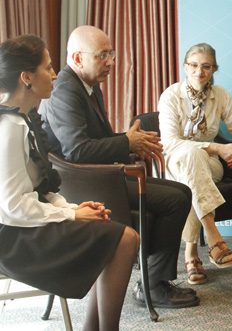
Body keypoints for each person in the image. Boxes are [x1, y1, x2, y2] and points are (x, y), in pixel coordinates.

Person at [38, 25, 198, 309]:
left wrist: (132, 142)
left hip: (101, 175)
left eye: (111, 54)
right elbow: (77, 150)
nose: (111, 61)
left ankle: (151, 279)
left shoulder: (89, 86)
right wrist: (126, 142)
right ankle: (152, 285)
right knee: (174, 201)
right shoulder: (65, 90)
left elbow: (97, 140)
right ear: (78, 58)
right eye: (102, 55)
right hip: (82, 184)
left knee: (183, 192)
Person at [0, 35, 139, 330]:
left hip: (24, 224)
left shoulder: (22, 119)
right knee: (125, 239)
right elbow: (13, 206)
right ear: (26, 78)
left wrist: (74, 208)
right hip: (12, 239)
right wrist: (71, 215)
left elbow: (39, 188)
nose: (54, 74)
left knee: (114, 234)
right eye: (48, 67)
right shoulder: (9, 128)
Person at [158, 43, 232, 285]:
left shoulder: (220, 95)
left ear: (213, 69)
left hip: (209, 166)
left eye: (206, 66)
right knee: (191, 160)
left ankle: (192, 255)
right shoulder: (171, 96)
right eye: (193, 65)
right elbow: (170, 143)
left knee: (194, 167)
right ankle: (212, 238)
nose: (199, 72)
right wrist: (217, 148)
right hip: (176, 163)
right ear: (185, 67)